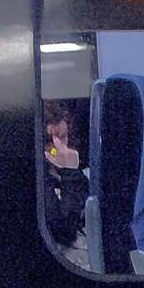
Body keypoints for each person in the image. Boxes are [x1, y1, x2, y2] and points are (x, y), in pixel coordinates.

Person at [42, 100, 90, 269]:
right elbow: (65, 229)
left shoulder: (69, 173)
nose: (59, 147)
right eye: (49, 141)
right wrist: (70, 172)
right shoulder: (42, 178)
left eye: (63, 137)